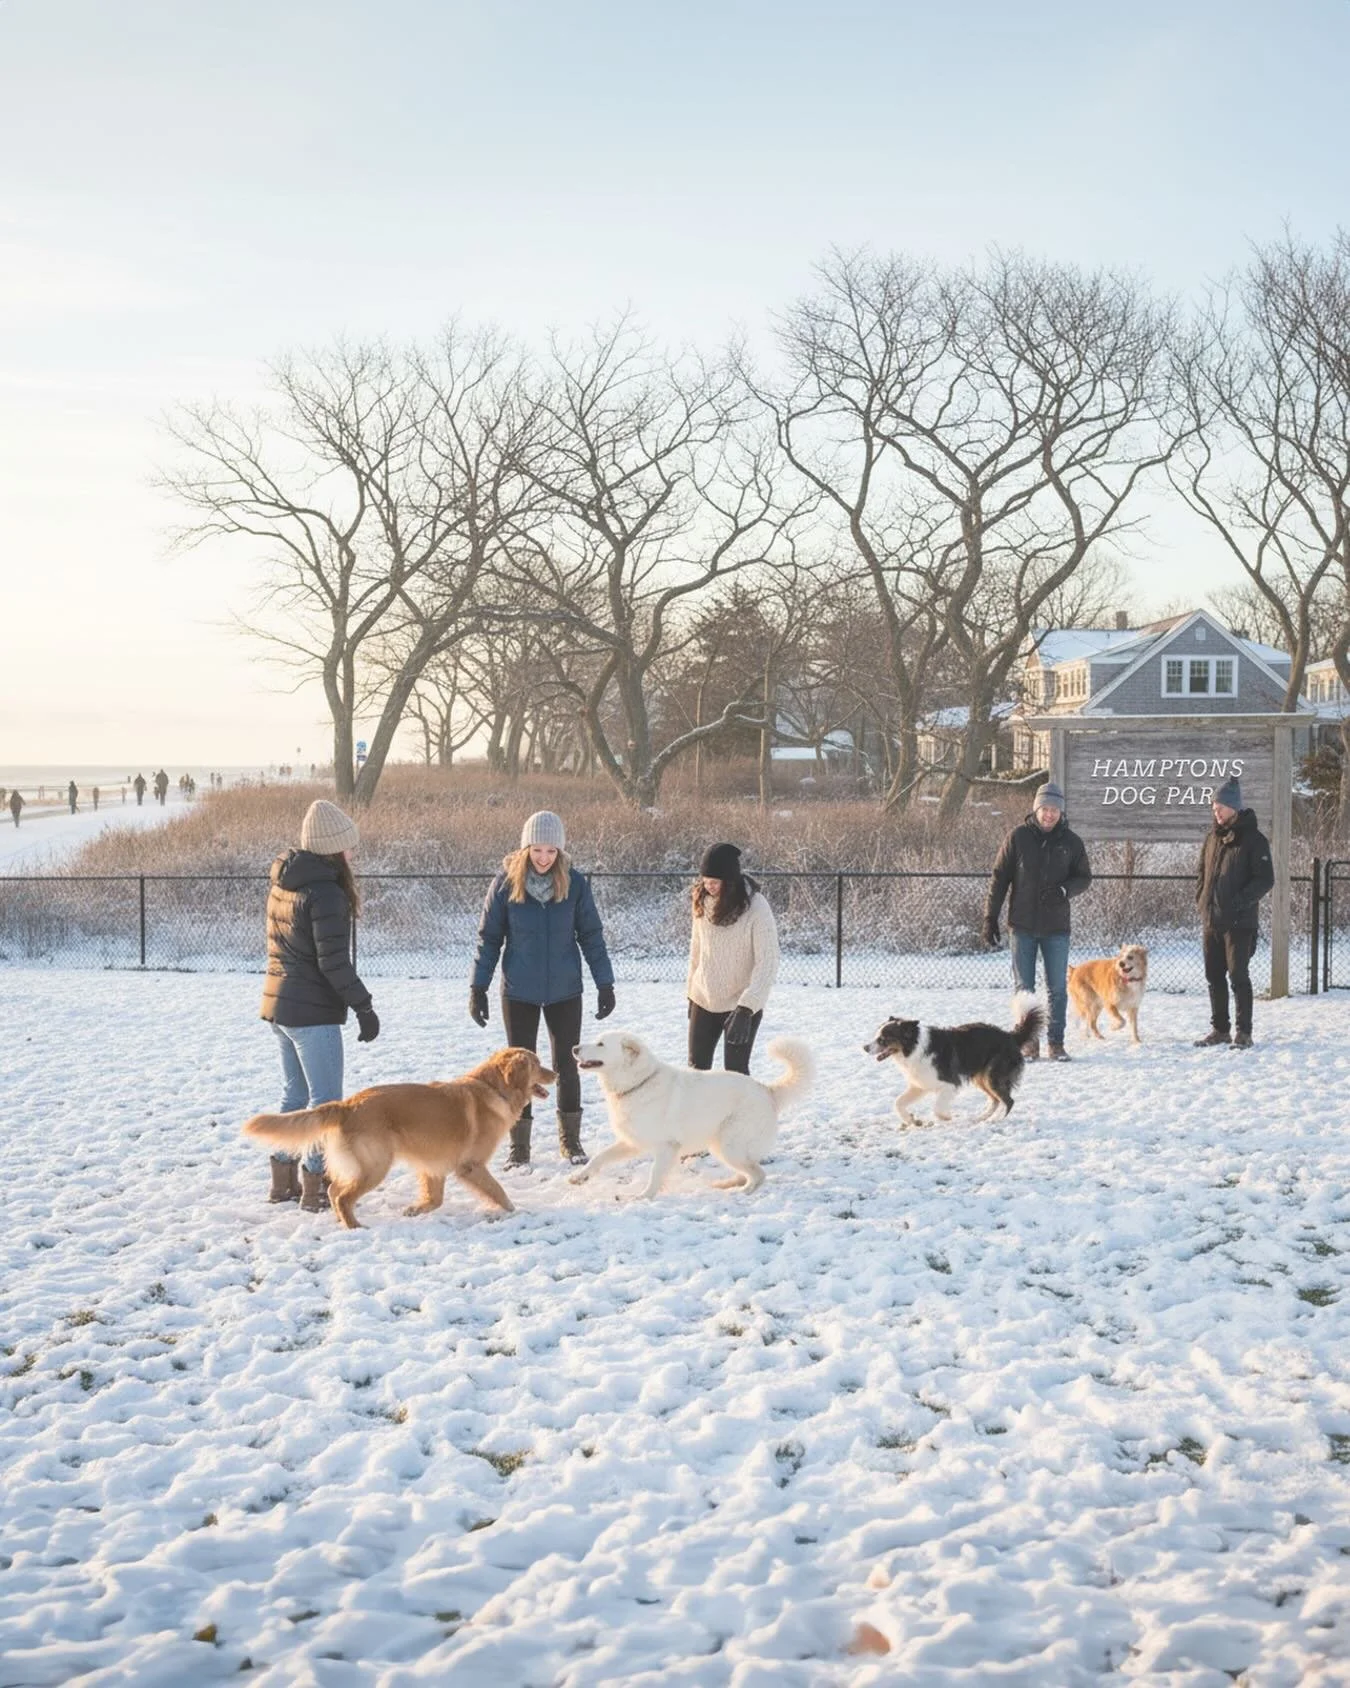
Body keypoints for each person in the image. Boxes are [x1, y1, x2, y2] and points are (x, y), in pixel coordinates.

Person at [469, 810, 615, 1168]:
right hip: (519, 991)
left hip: (565, 990)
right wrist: (478, 986)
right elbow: (489, 939)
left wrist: (605, 982)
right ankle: (519, 1147)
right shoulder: (505, 884)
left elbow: (591, 936)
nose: (544, 858)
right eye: (537, 850)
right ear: (526, 849)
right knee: (518, 1070)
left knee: (567, 1064)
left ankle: (571, 1141)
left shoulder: (575, 884)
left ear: (560, 851)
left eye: (551, 851)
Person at [258, 799, 380, 1209]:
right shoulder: (326, 893)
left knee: (294, 1097)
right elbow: (333, 963)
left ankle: (282, 1182)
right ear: (333, 847)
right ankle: (316, 1187)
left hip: (281, 1007)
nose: (353, 853)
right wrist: (364, 1006)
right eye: (349, 846)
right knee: (326, 1104)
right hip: (311, 1013)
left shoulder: (285, 881)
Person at [982, 781, 1092, 1061]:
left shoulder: (1072, 842)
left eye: (1055, 809)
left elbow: (1084, 877)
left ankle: (1056, 1043)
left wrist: (1064, 890)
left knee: (1058, 989)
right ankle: (1028, 1043)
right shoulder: (1017, 837)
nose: (1049, 814)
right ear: (1036, 809)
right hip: (1022, 926)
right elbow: (999, 879)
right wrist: (990, 917)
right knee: (1024, 988)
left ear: (1061, 812)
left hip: (1056, 928)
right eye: (1045, 808)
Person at [686, 842, 781, 1074]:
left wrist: (747, 1008)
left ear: (730, 881)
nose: (709, 887)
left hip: (740, 1004)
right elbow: (697, 950)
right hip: (704, 999)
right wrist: (691, 993)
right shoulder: (701, 901)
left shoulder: (756, 907)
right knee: (696, 1073)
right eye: (705, 881)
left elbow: (768, 962)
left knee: (735, 1074)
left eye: (715, 882)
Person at [1194, 777, 1274, 1050]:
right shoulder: (1212, 838)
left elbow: (1265, 879)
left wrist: (1239, 902)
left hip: (1240, 922)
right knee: (1213, 976)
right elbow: (1202, 873)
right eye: (1214, 807)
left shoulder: (1254, 840)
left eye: (1220, 807)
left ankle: (1244, 1032)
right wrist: (1202, 901)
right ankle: (1220, 1030)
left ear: (1234, 807)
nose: (1216, 811)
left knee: (1238, 976)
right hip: (1211, 920)